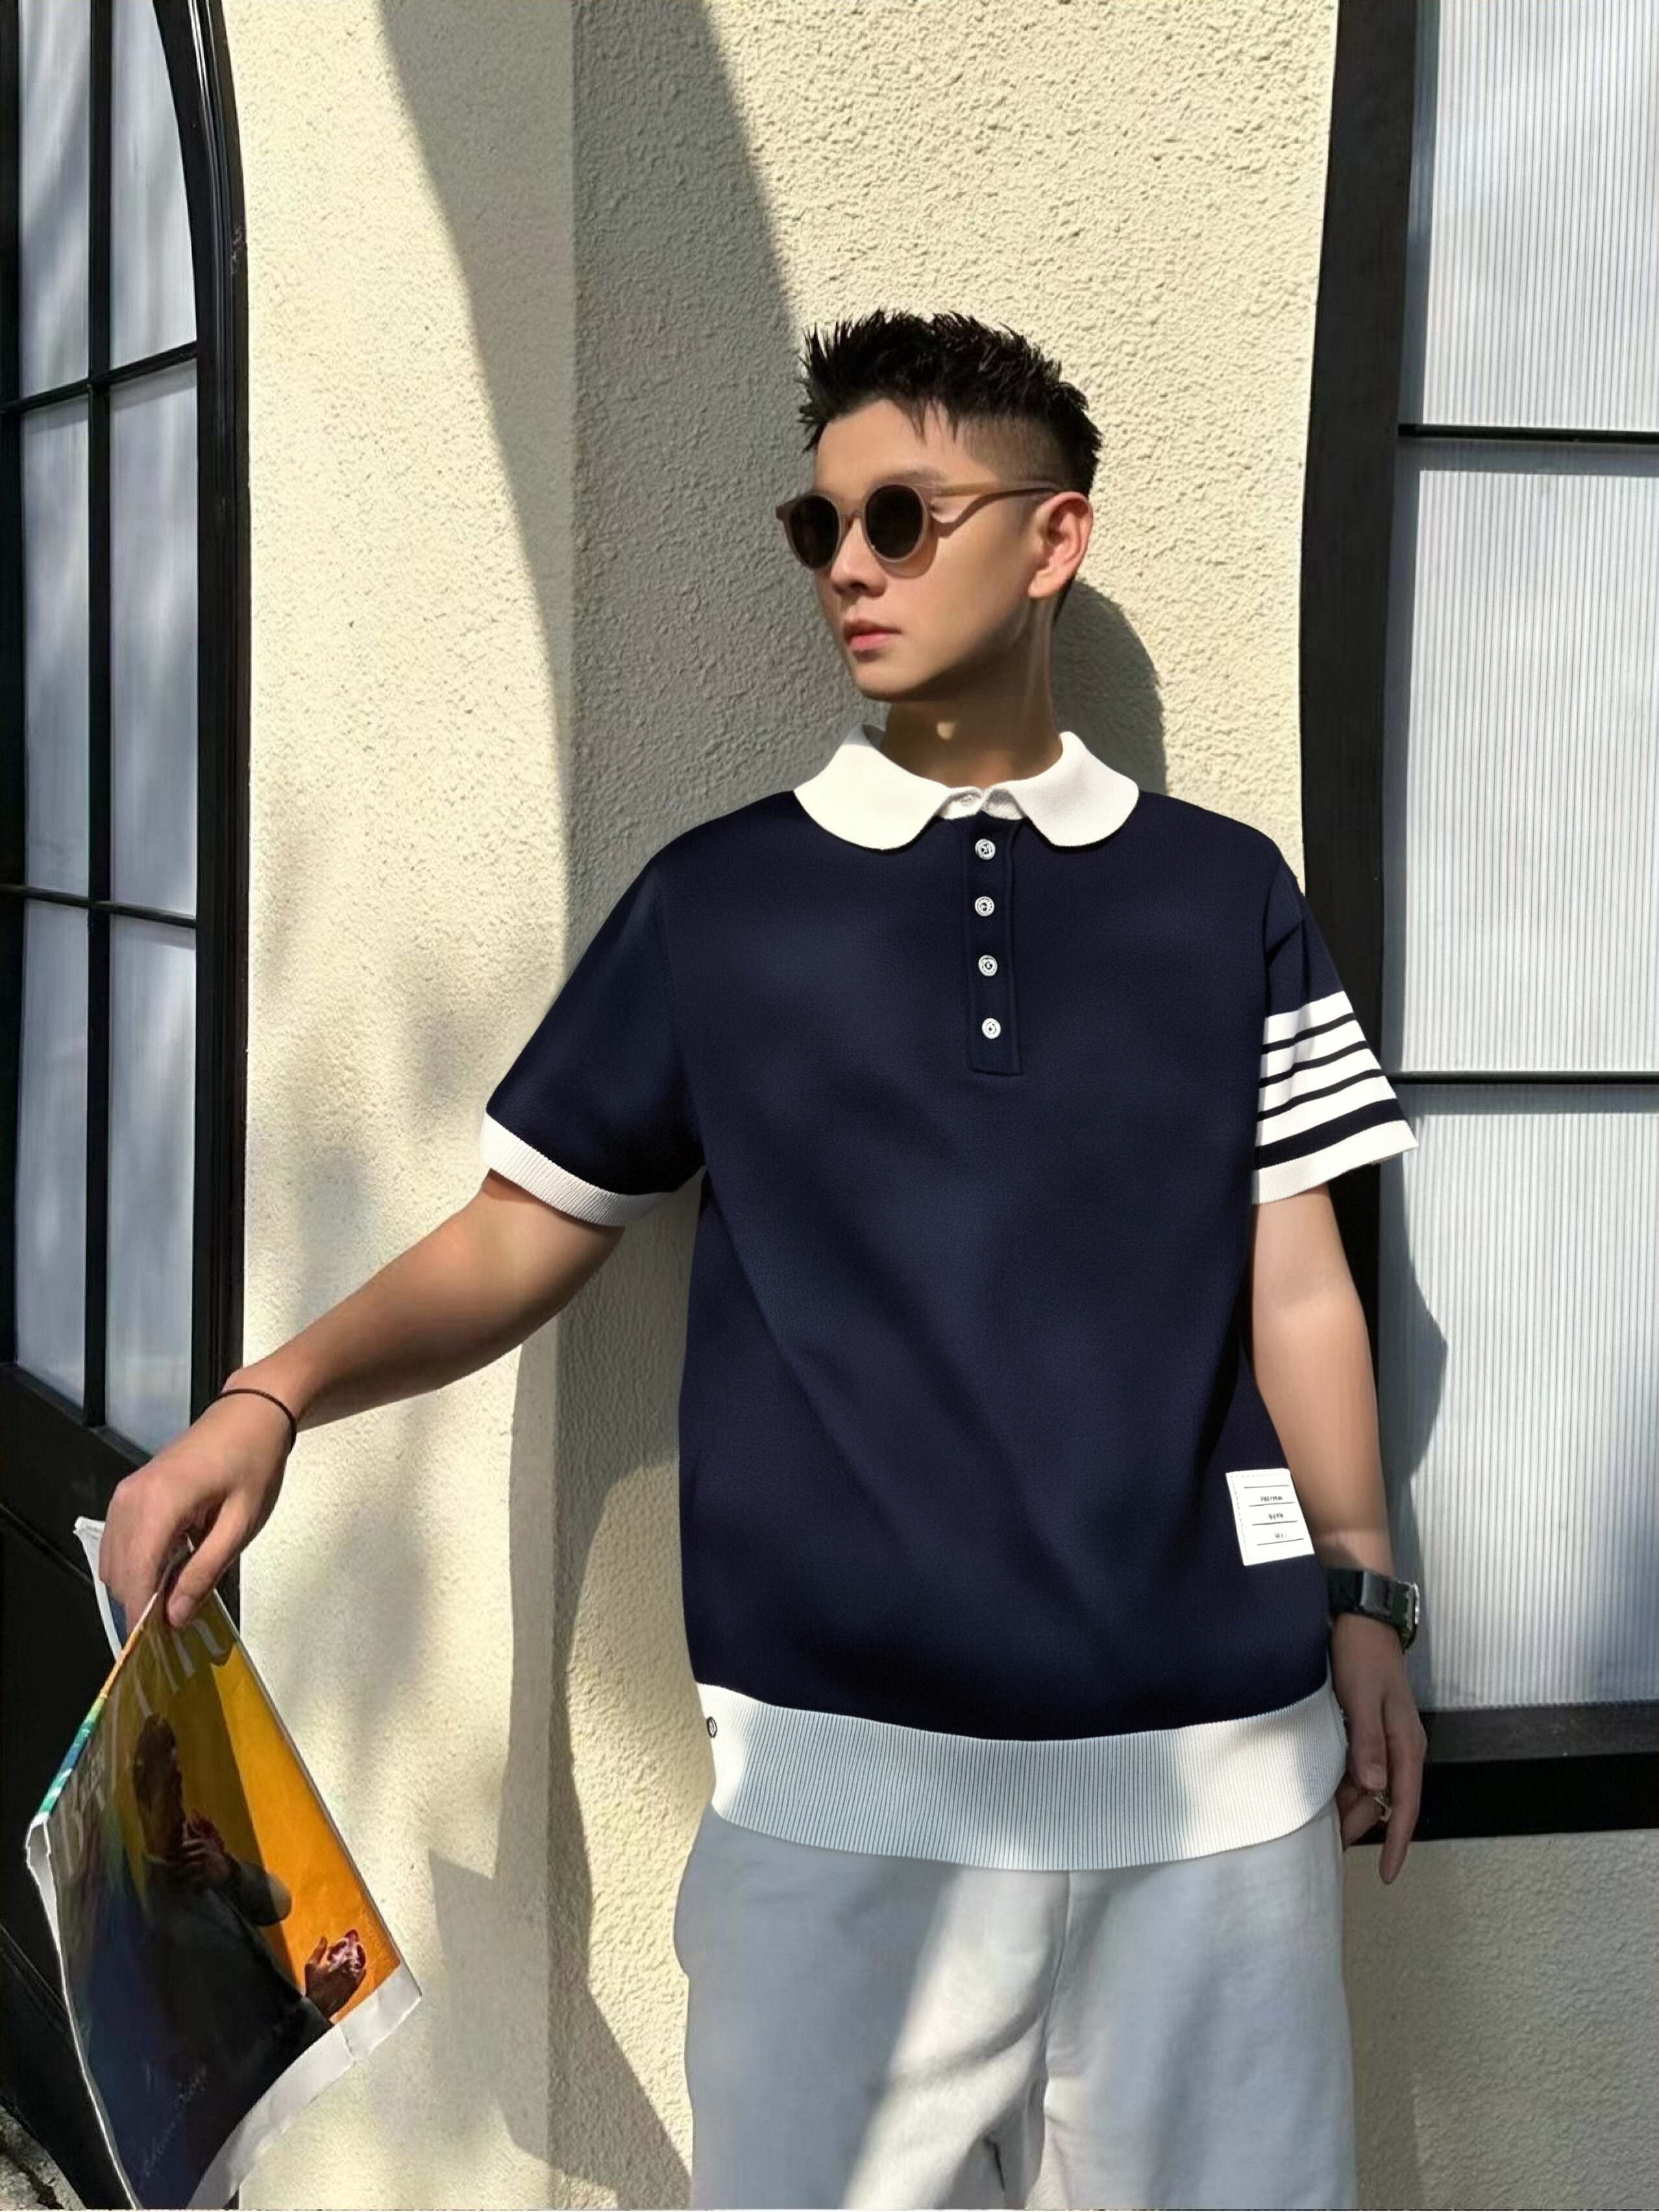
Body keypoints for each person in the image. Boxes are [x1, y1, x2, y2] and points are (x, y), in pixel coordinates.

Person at [100, 306, 1427, 2211]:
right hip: (833, 1806)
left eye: (901, 516)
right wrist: (272, 1398)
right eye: (821, 528)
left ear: (1053, 539)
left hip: (1219, 1794)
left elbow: (1293, 1274)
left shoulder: (1226, 894)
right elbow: (524, 1226)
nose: (850, 569)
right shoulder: (720, 903)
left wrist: (1366, 1597)